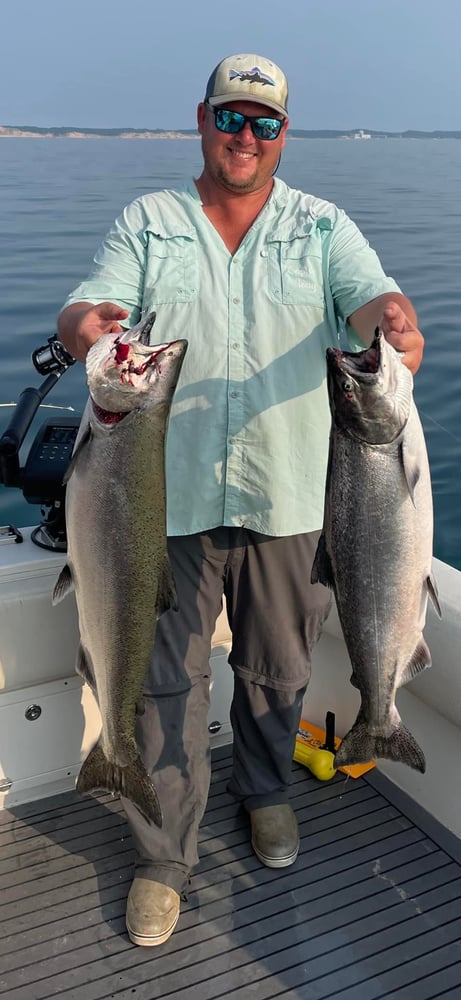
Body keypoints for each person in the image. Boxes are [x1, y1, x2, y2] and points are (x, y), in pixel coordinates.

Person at [57, 53, 425, 948]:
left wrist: (391, 321)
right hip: (161, 504)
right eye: (232, 117)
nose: (245, 137)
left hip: (294, 497)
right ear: (203, 118)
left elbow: (368, 293)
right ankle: (163, 854)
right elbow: (84, 310)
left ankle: (265, 794)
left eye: (264, 123)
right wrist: (91, 329)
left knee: (279, 672)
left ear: (283, 134)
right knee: (163, 684)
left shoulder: (320, 225)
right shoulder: (150, 222)